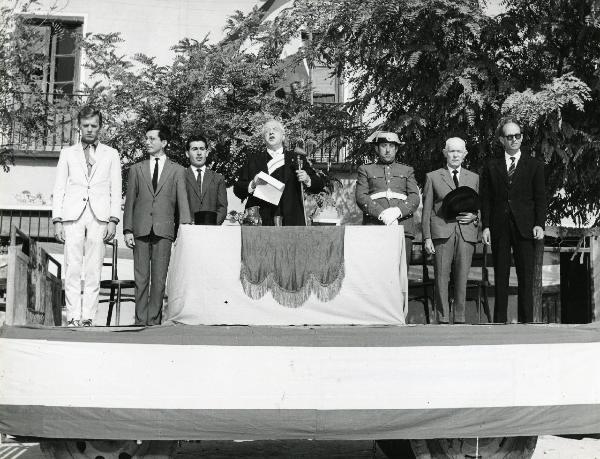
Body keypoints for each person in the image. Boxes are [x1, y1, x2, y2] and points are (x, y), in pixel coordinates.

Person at [52, 106, 122, 327]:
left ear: (100, 127)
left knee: (94, 267)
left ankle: (89, 317)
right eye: (86, 125)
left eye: (94, 125)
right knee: (72, 266)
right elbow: (59, 188)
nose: (90, 129)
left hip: (99, 216)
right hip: (72, 216)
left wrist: (113, 219)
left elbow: (116, 188)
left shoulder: (111, 154)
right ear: (79, 127)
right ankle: (73, 316)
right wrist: (57, 220)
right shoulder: (67, 153)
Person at [123, 123, 192, 326]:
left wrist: (184, 231)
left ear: (164, 142)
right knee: (141, 277)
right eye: (147, 138)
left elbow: (183, 203)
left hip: (164, 230)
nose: (148, 142)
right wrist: (128, 229)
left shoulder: (178, 170)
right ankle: (139, 320)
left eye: (152, 138)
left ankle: (153, 321)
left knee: (159, 278)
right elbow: (130, 202)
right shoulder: (136, 169)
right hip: (140, 228)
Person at [481, 117, 546, 323]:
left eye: (518, 136)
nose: (514, 140)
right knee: (501, 275)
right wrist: (486, 226)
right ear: (502, 140)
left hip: (525, 227)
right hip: (499, 227)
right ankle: (500, 322)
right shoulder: (491, 166)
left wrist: (539, 224)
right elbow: (486, 199)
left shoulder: (535, 165)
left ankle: (526, 322)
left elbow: (540, 197)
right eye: (510, 137)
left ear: (522, 137)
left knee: (526, 276)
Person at [422, 137, 479, 324]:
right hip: (442, 232)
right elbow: (427, 210)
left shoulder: (474, 177)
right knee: (441, 277)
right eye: (452, 151)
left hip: (466, 233)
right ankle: (443, 317)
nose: (455, 155)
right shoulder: (433, 176)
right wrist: (427, 238)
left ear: (465, 154)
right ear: (445, 153)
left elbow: (480, 206)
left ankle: (460, 317)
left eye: (459, 151)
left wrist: (475, 217)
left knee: (462, 277)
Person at [233, 119, 324, 226]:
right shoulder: (253, 160)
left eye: (275, 129)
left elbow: (319, 185)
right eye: (267, 131)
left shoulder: (297, 159)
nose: (271, 132)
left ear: (283, 136)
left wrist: (307, 179)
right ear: (264, 138)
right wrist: (252, 184)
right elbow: (238, 190)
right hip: (261, 222)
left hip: (291, 222)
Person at [355, 131, 420, 265]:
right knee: (375, 271)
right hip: (375, 226)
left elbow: (414, 197)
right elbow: (361, 197)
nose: (388, 150)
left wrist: (398, 211)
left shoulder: (407, 170)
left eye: (391, 146)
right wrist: (381, 214)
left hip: (403, 227)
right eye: (384, 145)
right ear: (376, 148)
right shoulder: (366, 170)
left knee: (400, 273)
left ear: (396, 149)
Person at [184, 134, 227, 225]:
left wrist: (211, 225)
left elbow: (222, 208)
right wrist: (187, 224)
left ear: (207, 153)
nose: (199, 153)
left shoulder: (218, 179)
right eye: (194, 149)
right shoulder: (179, 177)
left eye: (202, 149)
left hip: (211, 233)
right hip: (186, 232)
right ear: (187, 153)